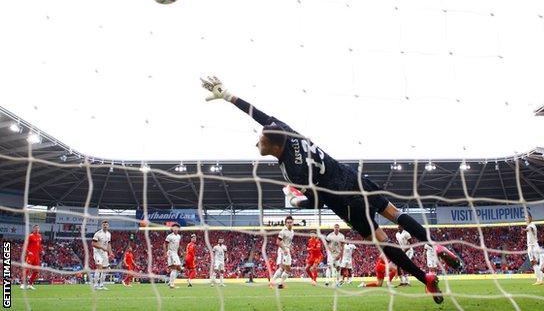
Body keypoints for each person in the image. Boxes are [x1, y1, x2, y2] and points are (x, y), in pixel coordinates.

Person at [200, 77, 461, 304]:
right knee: (393, 212)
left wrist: (294, 201)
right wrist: (228, 96)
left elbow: (317, 203)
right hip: (351, 176)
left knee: (382, 240)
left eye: (260, 139)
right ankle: (436, 244)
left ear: (271, 145)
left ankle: (424, 278)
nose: (257, 139)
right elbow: (257, 113)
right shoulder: (289, 134)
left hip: (342, 200)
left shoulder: (294, 172)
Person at [271, 216, 294, 289]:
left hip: (287, 250)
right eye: (288, 222)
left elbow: (287, 242)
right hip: (283, 251)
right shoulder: (283, 231)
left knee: (287, 269)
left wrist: (290, 248)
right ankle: (273, 282)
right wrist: (284, 249)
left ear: (293, 222)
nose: (289, 224)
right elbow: (278, 242)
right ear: (285, 223)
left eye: (290, 222)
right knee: (283, 268)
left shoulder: (292, 232)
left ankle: (279, 283)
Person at [522, 213, 544, 285]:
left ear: (530, 218)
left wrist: (525, 230)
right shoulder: (531, 225)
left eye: (526, 218)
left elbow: (530, 229)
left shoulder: (531, 225)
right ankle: (540, 279)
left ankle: (539, 279)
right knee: (535, 263)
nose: (525, 219)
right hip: (535, 245)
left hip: (532, 247)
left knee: (534, 263)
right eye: (525, 218)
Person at [92, 220, 113, 290]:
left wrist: (111, 252)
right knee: (99, 268)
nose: (105, 226)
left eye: (106, 225)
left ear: (108, 226)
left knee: (105, 269)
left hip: (104, 253)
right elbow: (93, 244)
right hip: (97, 253)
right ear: (102, 225)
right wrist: (102, 247)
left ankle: (101, 285)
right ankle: (95, 285)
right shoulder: (97, 234)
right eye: (104, 224)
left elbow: (109, 244)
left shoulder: (109, 234)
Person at [21, 225, 42, 290]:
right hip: (30, 255)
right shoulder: (30, 236)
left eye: (38, 228)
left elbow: (39, 245)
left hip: (36, 256)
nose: (36, 229)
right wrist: (28, 252)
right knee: (27, 269)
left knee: (36, 271)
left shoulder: (39, 236)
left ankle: (30, 284)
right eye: (35, 228)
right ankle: (22, 284)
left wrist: (40, 251)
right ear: (33, 229)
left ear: (39, 229)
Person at [164, 223, 182, 289]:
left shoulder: (179, 236)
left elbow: (178, 246)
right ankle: (172, 284)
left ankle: (170, 282)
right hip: (171, 253)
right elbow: (164, 244)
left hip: (176, 253)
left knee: (179, 269)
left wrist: (180, 253)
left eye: (176, 228)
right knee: (174, 268)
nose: (175, 229)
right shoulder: (169, 236)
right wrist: (165, 253)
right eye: (174, 228)